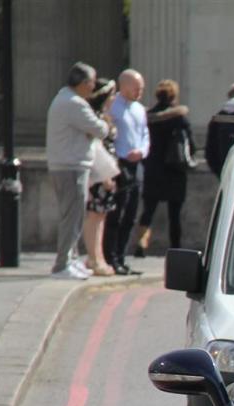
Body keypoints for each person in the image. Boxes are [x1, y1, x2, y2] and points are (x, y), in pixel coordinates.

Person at [45, 62, 110, 279]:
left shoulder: (63, 99)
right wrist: (102, 124)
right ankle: (62, 264)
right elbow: (101, 130)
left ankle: (71, 259)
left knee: (71, 215)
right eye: (92, 82)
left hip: (65, 165)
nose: (94, 87)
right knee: (72, 216)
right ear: (83, 83)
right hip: (71, 166)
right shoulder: (75, 104)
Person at [134, 79, 196, 258]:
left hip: (153, 170)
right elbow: (190, 144)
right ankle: (175, 248)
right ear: (174, 96)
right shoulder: (180, 118)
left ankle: (141, 243)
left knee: (148, 211)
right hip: (175, 170)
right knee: (174, 214)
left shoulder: (148, 118)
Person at [104, 68, 149, 275]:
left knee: (131, 214)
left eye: (141, 87)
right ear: (123, 86)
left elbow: (144, 134)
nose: (139, 91)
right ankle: (110, 258)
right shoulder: (113, 107)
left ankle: (121, 257)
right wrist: (123, 154)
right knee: (116, 214)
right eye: (135, 87)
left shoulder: (139, 109)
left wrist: (141, 151)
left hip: (136, 164)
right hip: (119, 163)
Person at [83, 77, 120, 276]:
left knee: (102, 215)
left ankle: (98, 257)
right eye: (112, 94)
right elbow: (95, 149)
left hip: (107, 172)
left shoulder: (103, 116)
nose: (113, 98)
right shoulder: (93, 118)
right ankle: (94, 258)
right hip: (98, 174)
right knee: (94, 215)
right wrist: (105, 176)